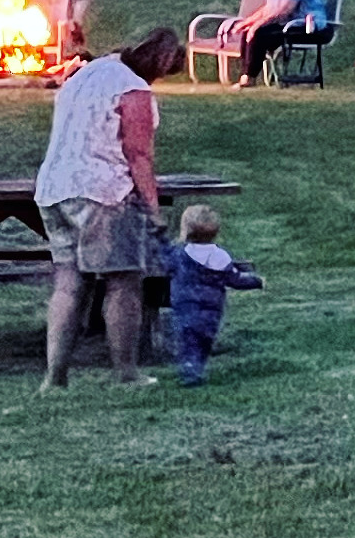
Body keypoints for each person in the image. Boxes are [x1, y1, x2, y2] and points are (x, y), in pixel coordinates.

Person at [34, 25, 186, 386]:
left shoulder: (88, 73)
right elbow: (138, 155)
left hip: (54, 188)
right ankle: (126, 373)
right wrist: (153, 209)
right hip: (102, 193)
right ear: (160, 62)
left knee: (69, 283)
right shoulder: (132, 88)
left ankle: (54, 378)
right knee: (124, 282)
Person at [162, 203, 263, 386]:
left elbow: (165, 263)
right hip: (212, 310)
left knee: (187, 340)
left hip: (185, 306)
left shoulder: (179, 254)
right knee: (204, 340)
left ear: (185, 230)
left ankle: (190, 370)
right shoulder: (220, 256)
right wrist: (255, 281)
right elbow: (234, 279)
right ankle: (197, 367)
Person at [238, 0, 326, 85]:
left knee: (258, 34)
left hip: (309, 28)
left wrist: (257, 26)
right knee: (248, 32)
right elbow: (267, 9)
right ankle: (246, 75)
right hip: (291, 26)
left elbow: (285, 10)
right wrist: (245, 24)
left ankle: (249, 77)